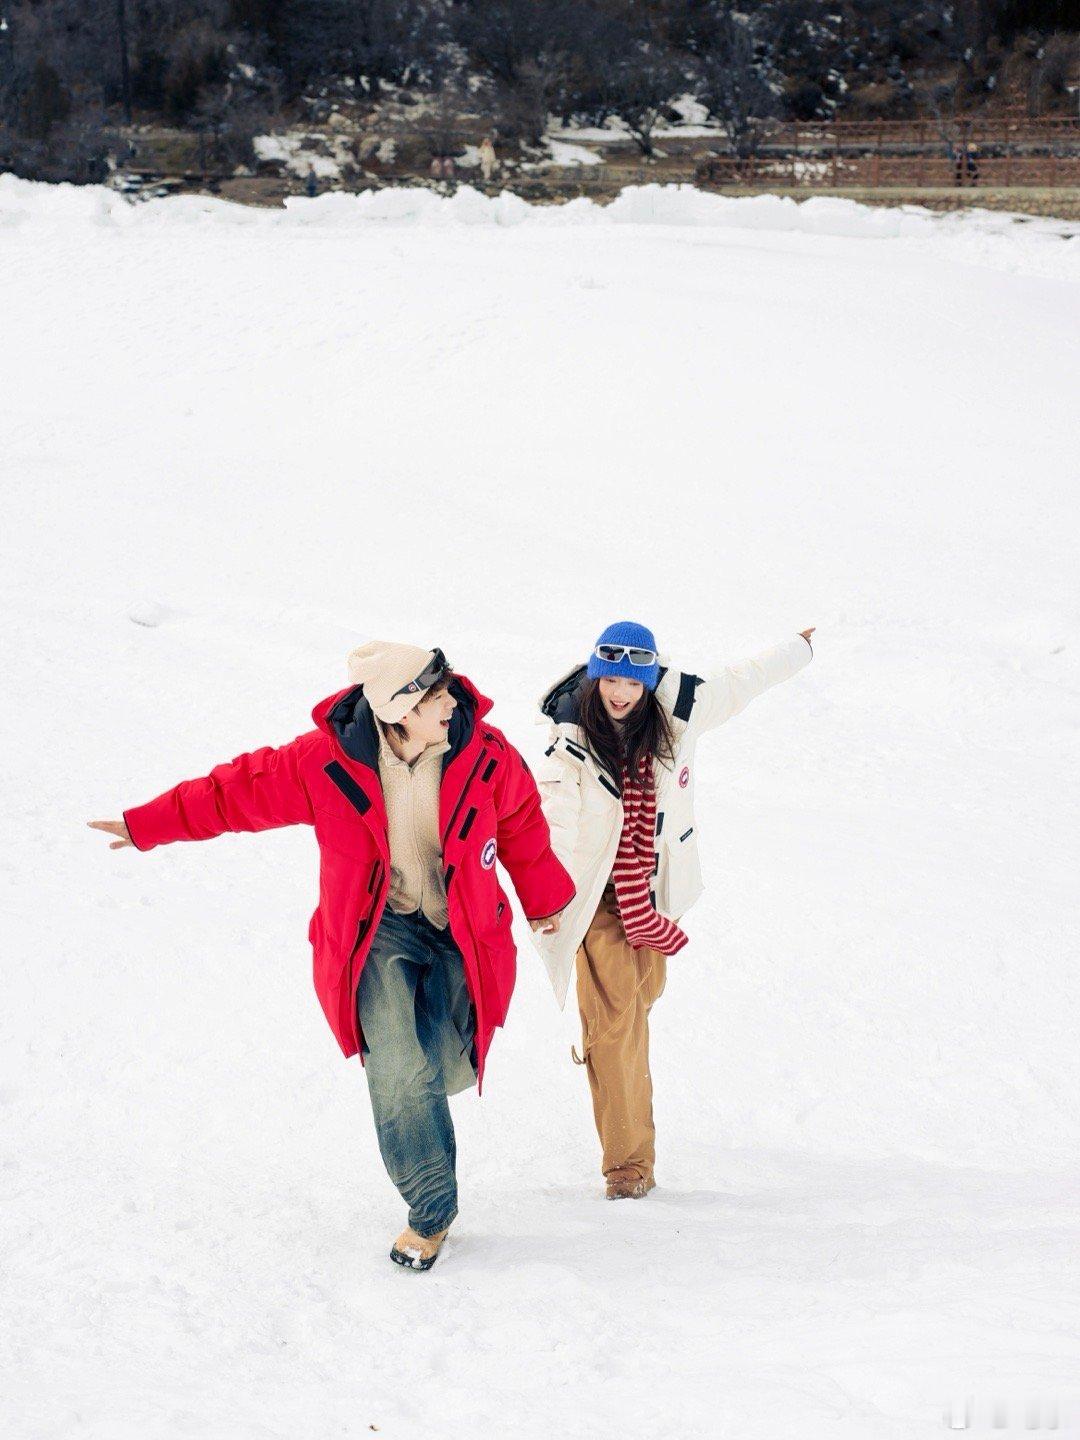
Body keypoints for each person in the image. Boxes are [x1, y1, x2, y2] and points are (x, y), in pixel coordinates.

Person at [88, 643, 573, 1271]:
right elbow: (235, 791)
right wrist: (145, 825)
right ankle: (430, 1213)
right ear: (399, 711)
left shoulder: (485, 752)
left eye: (447, 689)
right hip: (379, 931)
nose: (453, 702)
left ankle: (422, 1100)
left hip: (462, 927)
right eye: (434, 697)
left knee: (445, 1066)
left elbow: (523, 825)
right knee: (399, 1064)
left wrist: (543, 899)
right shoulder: (327, 761)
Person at [531, 621, 815, 1200]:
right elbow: (556, 821)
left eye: (629, 681)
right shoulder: (570, 740)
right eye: (608, 678)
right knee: (615, 1029)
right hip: (594, 897)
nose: (618, 692)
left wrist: (799, 648)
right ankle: (629, 1167)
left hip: (655, 892)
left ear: (648, 679)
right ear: (595, 675)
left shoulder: (681, 707)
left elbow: (742, 682)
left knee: (639, 999)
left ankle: (617, 1066)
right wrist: (547, 901)